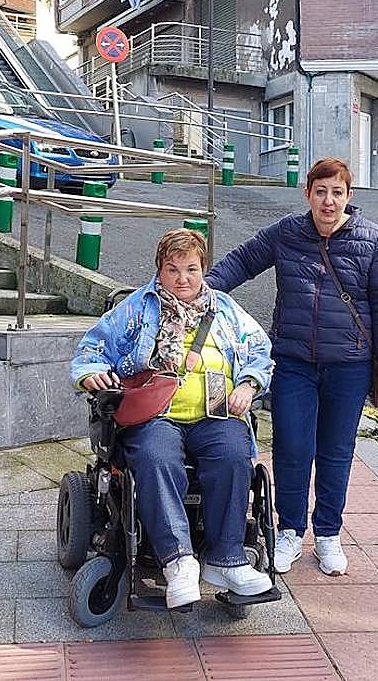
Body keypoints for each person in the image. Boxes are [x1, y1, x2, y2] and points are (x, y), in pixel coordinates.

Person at [206, 158, 378, 577]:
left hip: (349, 365)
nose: (328, 201)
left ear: (348, 196)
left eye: (337, 192)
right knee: (293, 450)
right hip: (293, 362)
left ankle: (328, 534)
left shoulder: (371, 240)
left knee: (336, 452)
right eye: (321, 192)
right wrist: (198, 291)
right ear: (308, 194)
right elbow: (241, 261)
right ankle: (291, 530)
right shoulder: (287, 234)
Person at [70, 229, 274, 608]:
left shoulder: (226, 310)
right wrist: (92, 372)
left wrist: (248, 383)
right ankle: (178, 561)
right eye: (173, 269)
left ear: (204, 270)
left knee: (233, 454)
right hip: (157, 415)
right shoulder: (136, 308)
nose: (183, 279)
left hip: (215, 413)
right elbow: (92, 348)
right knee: (156, 457)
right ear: (159, 271)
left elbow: (260, 352)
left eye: (192, 269)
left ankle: (226, 559)